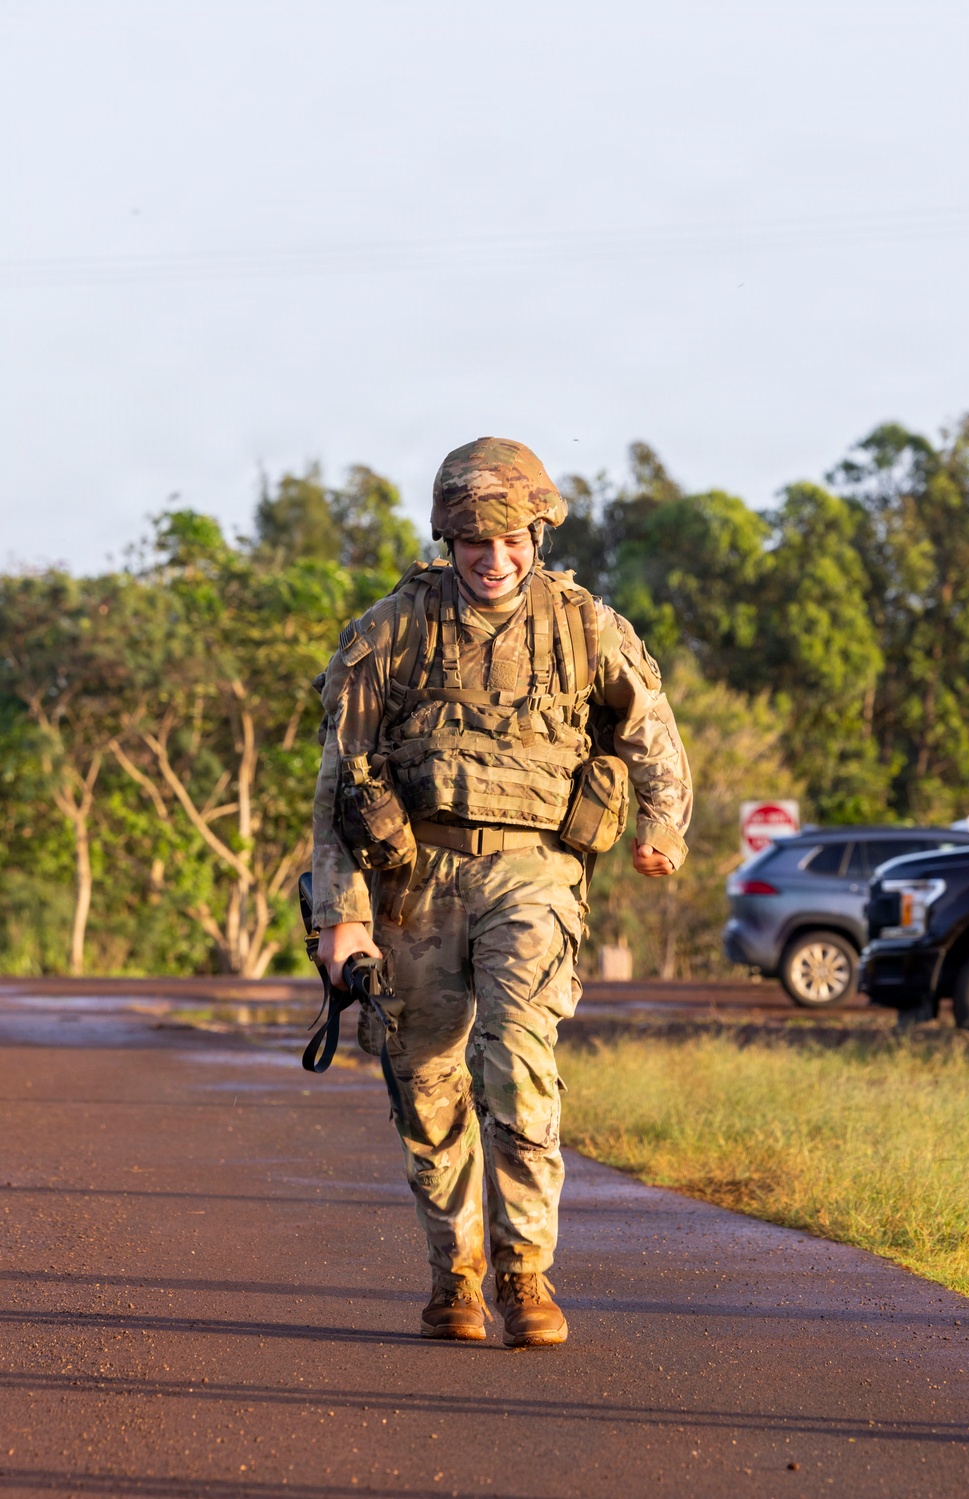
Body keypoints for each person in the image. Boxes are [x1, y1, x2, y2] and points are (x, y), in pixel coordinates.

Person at [311, 436, 692, 1347]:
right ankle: (457, 1275)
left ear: (539, 536)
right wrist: (340, 916)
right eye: (476, 542)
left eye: (513, 540)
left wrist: (662, 825)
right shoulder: (390, 631)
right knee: (426, 1081)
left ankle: (526, 1274)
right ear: (447, 538)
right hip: (415, 880)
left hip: (535, 873)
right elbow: (338, 779)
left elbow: (654, 734)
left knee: (516, 1056)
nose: (495, 559)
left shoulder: (585, 626)